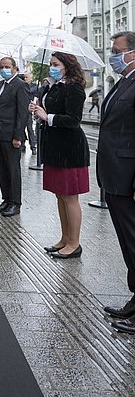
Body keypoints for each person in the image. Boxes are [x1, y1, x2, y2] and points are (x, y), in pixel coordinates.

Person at [30, 52, 89, 259]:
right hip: (55, 147)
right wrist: (39, 110)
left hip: (70, 149)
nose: (51, 67)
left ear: (67, 66)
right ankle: (65, 238)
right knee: (60, 195)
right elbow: (49, 111)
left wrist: (48, 116)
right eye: (51, 64)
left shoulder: (75, 88)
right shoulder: (55, 86)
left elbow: (74, 119)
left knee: (70, 197)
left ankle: (74, 243)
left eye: (55, 64)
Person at [97, 31, 135, 333]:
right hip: (114, 175)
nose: (113, 54)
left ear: (132, 53)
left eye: (116, 50)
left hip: (128, 176)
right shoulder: (123, 82)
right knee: (128, 241)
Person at [0, 56, 30, 217]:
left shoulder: (20, 85)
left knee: (13, 169)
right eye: (1, 66)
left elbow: (22, 113)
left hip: (11, 135)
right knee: (2, 168)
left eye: (7, 66)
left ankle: (15, 203)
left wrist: (18, 136)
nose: (4, 69)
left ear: (14, 68)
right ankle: (6, 199)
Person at [20, 71, 37, 155]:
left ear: (31, 78)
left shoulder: (34, 86)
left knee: (30, 129)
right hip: (21, 109)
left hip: (29, 110)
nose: (25, 79)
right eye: (24, 77)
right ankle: (22, 144)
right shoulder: (22, 85)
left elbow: (29, 91)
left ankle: (33, 146)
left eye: (26, 77)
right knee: (21, 128)